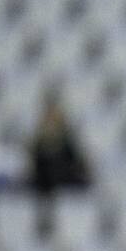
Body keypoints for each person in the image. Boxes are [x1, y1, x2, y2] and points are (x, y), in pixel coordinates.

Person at [26, 89, 92, 236]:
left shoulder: (66, 138)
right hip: (45, 177)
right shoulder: (40, 138)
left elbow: (75, 159)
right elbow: (33, 158)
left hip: (64, 174)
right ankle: (45, 221)